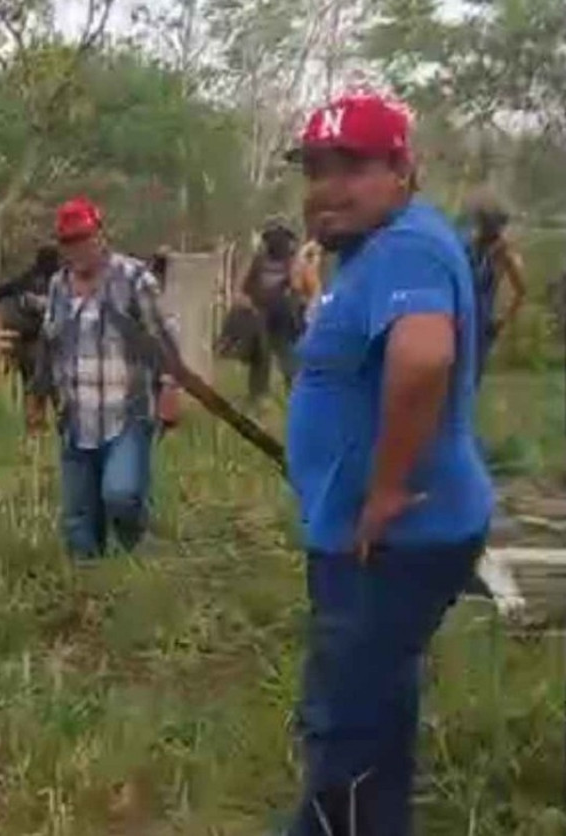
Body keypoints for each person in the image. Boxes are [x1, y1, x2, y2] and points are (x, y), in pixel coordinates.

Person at [284, 91, 494, 835]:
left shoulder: (406, 245)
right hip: (379, 532)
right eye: (315, 169)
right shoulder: (378, 250)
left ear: (403, 169)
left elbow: (424, 357)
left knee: (343, 726)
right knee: (377, 715)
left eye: (352, 168)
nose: (327, 187)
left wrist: (384, 490)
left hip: (391, 536)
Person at [30, 197, 181, 562]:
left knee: (122, 494)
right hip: (76, 414)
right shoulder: (58, 286)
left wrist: (170, 388)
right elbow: (50, 343)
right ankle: (91, 587)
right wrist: (36, 398)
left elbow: (162, 337)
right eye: (68, 242)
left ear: (101, 235)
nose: (77, 249)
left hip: (126, 410)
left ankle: (136, 552)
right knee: (78, 520)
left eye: (84, 238)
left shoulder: (133, 279)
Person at [0, 245, 60, 429]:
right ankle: (57, 423)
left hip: (28, 342)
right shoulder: (63, 280)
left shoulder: (27, 279)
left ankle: (35, 424)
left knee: (31, 383)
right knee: (55, 385)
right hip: (53, 342)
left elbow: (2, 289)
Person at [236, 217, 304, 404]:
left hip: (283, 316)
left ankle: (296, 394)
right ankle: (258, 397)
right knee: (261, 354)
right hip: (259, 315)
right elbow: (239, 289)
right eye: (274, 236)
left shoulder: (292, 261)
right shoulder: (256, 260)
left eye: (282, 237)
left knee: (288, 354)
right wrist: (246, 303)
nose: (278, 241)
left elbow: (297, 287)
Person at [464, 193, 527, 383]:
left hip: (481, 324)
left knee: (471, 378)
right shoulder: (468, 247)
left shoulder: (504, 254)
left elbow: (521, 291)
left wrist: (502, 320)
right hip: (459, 316)